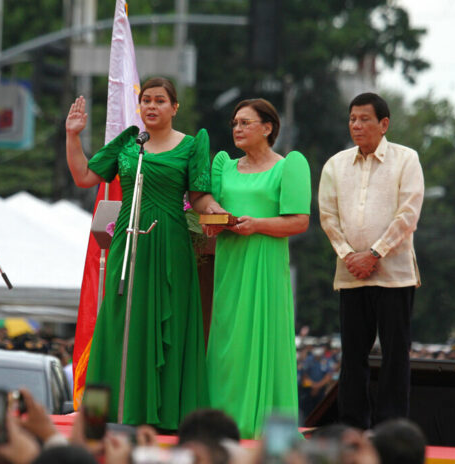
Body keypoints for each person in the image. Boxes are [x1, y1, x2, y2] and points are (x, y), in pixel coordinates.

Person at [65, 77, 224, 430]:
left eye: (160, 101)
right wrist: (73, 135)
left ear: (174, 107)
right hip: (127, 238)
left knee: (172, 322)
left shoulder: (192, 144)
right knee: (118, 322)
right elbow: (84, 176)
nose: (151, 106)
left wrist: (216, 209)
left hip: (170, 242)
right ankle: (102, 412)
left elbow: (199, 195)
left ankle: (167, 417)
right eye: (146, 100)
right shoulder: (129, 142)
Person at [204, 98, 311, 438]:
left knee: (262, 337)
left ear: (267, 128)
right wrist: (214, 216)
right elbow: (205, 207)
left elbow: (299, 222)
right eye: (235, 123)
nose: (237, 128)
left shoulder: (288, 166)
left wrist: (258, 225)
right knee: (226, 342)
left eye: (245, 123)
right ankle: (221, 423)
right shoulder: (224, 166)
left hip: (264, 263)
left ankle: (260, 429)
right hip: (230, 263)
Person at [319, 92, 424, 429]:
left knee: (395, 356)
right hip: (351, 274)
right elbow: (327, 216)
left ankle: (390, 428)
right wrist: (350, 256)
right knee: (352, 355)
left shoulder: (406, 160)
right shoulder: (335, 164)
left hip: (394, 275)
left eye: (364, 119)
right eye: (352, 119)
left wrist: (375, 253)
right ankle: (352, 424)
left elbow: (408, 214)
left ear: (384, 124)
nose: (356, 125)